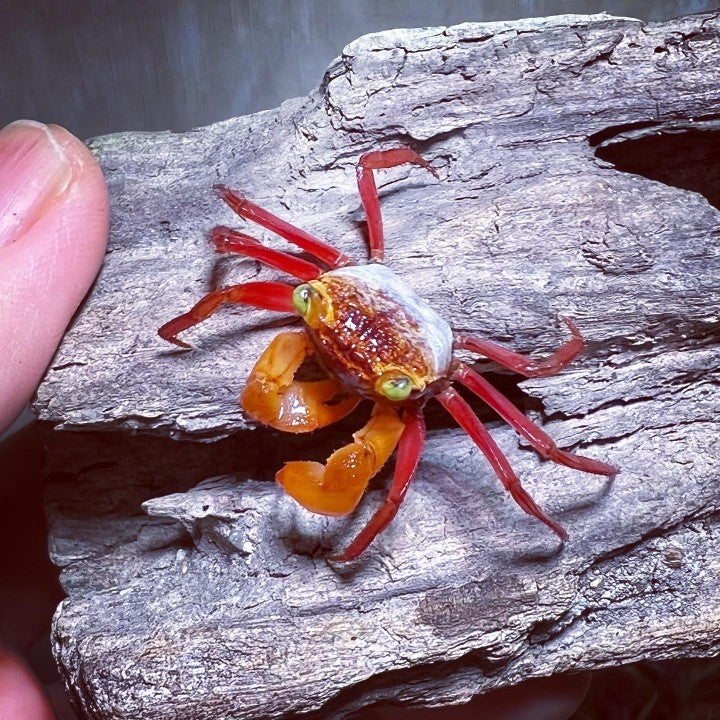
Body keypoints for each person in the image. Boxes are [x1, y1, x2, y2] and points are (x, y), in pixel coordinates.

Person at [0, 119, 587, 720]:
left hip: (379, 340)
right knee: (245, 295)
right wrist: (206, 296)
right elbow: (243, 246)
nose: (345, 368)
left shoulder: (449, 380)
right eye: (309, 301)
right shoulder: (323, 285)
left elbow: (527, 381)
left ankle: (373, 420)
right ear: (315, 288)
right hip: (352, 308)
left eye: (381, 383)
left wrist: (550, 428)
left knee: (394, 493)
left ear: (423, 386)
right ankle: (338, 320)